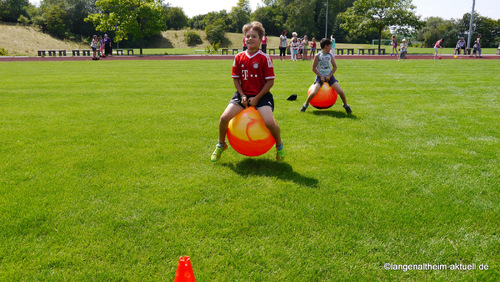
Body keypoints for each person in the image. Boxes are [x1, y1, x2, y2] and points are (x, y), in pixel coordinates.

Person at [211, 21, 285, 163]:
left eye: (254, 36)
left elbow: (270, 82)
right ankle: (221, 144)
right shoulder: (238, 57)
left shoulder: (265, 58)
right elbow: (236, 79)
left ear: (261, 39)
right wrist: (243, 95)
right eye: (248, 36)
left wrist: (257, 98)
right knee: (224, 118)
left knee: (269, 122)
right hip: (242, 95)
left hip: (262, 96)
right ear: (244, 39)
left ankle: (279, 146)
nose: (250, 39)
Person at [300, 38, 352, 114]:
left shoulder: (330, 55)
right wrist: (320, 76)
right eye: (330, 46)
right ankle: (305, 105)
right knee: (313, 93)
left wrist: (329, 76)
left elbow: (335, 67)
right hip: (319, 77)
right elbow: (313, 68)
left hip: (330, 77)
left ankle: (346, 105)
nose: (331, 48)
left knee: (340, 91)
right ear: (325, 46)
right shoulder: (317, 55)